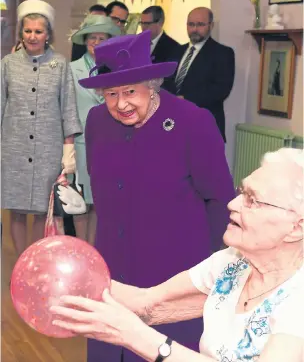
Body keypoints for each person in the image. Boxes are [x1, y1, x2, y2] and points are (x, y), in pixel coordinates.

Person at [55, 30, 235, 362]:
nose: (121, 104)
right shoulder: (96, 122)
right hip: (112, 269)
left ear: (152, 85)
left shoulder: (193, 122)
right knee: (108, 348)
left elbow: (220, 198)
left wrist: (215, 271)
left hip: (173, 274)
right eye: (110, 93)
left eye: (130, 91)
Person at [51, 147, 304, 362]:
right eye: (242, 192)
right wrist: (77, 277)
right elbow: (148, 303)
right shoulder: (233, 262)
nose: (233, 204)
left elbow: (140, 325)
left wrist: (135, 336)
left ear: (297, 227)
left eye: (252, 200)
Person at [1, 0, 82, 255]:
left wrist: (68, 151)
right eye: (27, 31)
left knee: (40, 211)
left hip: (48, 149)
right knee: (15, 209)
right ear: (20, 33)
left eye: (38, 31)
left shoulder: (59, 65)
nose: (32, 36)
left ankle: (35, 260)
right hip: (13, 148)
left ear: (48, 34)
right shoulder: (8, 64)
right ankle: (20, 261)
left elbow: (68, 107)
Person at [69, 14, 121, 244]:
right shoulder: (71, 70)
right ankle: (82, 247)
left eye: (102, 38)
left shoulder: (116, 70)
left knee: (100, 201)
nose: (96, 42)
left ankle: (95, 249)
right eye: (92, 37)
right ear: (85, 40)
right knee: (80, 201)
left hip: (108, 143)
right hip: (81, 143)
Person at [163, 7, 235, 142]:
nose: (195, 29)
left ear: (211, 25)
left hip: (204, 127)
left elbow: (221, 89)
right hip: (173, 125)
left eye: (200, 24)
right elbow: (165, 80)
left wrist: (185, 99)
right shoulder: (176, 51)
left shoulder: (222, 53)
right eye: (191, 24)